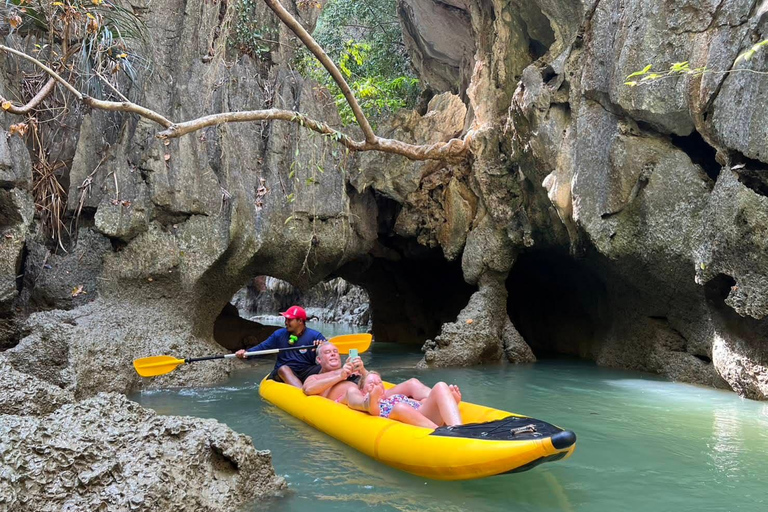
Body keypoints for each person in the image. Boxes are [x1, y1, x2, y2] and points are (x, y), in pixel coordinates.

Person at [236, 305, 325, 388]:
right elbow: (262, 348)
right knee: (284, 369)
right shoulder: (279, 334)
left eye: (289, 320)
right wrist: (246, 354)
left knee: (326, 367)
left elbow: (329, 351)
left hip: (306, 371)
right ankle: (302, 394)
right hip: (283, 372)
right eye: (286, 319)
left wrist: (322, 348)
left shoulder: (315, 336)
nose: (286, 322)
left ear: (300, 321)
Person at [346, 371, 463, 429]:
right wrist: (372, 397)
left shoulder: (394, 397)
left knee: (440, 386)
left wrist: (434, 401)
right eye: (371, 383)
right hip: (402, 417)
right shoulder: (369, 401)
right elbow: (370, 409)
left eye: (379, 382)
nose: (376, 384)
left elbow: (420, 403)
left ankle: (458, 429)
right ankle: (439, 431)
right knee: (400, 408)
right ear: (362, 390)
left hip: (421, 414)